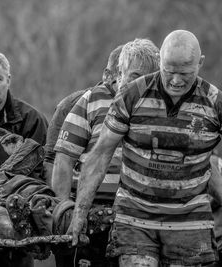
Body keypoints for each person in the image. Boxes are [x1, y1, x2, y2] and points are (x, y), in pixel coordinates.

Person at [69, 30, 221, 266]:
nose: (176, 80)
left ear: (200, 64)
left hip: (190, 222)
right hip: (135, 218)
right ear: (160, 60)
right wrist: (79, 213)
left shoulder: (214, 103)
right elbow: (100, 155)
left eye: (185, 73)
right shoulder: (133, 94)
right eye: (169, 71)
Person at [51, 39, 159, 267]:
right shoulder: (92, 100)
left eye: (147, 77)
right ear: (119, 73)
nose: (140, 83)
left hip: (139, 210)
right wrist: (64, 211)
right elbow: (64, 160)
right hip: (91, 206)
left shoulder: (159, 107)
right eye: (134, 75)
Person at [0, 50, 48, 267]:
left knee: (8, 225)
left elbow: (41, 175)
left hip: (15, 211)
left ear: (8, 80)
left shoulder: (32, 121)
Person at [43, 44, 123, 184]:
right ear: (107, 75)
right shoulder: (70, 105)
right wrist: (61, 204)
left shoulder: (147, 104)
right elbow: (51, 162)